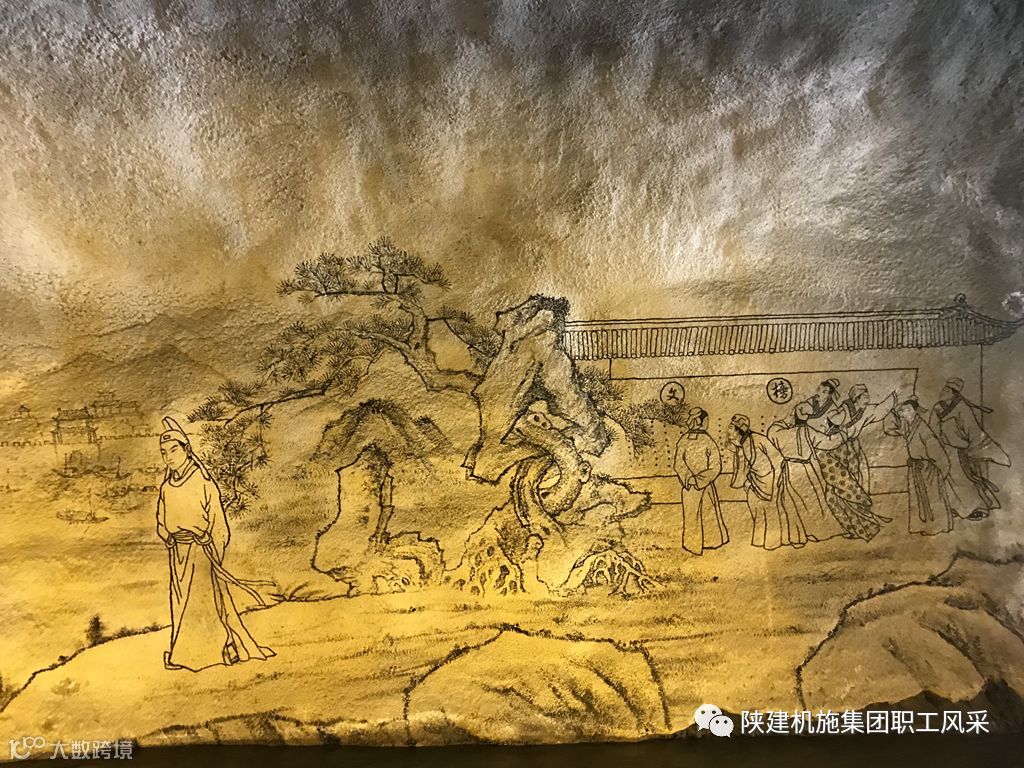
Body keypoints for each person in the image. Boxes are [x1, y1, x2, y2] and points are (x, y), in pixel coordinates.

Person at [156, 417, 276, 671]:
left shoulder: (203, 483)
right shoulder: (166, 488)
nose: (169, 457)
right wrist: (169, 536)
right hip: (178, 555)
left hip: (201, 552)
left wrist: (210, 545)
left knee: (203, 603)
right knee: (180, 603)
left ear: (187, 449)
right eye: (164, 452)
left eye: (174, 450)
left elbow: (219, 524)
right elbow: (161, 521)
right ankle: (185, 652)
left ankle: (208, 654)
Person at [930, 378, 1010, 519]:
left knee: (965, 480)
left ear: (954, 394)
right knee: (949, 480)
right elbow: (932, 427)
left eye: (947, 390)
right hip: (944, 450)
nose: (942, 392)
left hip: (959, 450)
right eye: (943, 389)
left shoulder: (963, 409)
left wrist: (971, 449)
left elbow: (972, 430)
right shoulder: (937, 407)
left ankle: (978, 507)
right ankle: (955, 507)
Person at [767, 402, 843, 544]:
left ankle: (797, 536)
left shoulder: (781, 432)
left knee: (791, 502)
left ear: (794, 415)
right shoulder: (808, 431)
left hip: (789, 469)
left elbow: (772, 431)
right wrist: (840, 433)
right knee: (813, 501)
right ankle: (818, 531)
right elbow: (828, 442)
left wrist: (786, 421)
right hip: (806, 469)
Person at [883, 399, 954, 535]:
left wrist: (940, 469)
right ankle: (923, 526)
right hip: (916, 467)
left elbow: (936, 451)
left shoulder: (923, 428)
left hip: (927, 468)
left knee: (932, 498)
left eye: (908, 410)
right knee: (919, 498)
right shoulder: (907, 427)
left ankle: (938, 526)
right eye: (903, 410)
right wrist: (892, 410)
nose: (905, 413)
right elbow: (889, 429)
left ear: (915, 411)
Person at [727, 414, 792, 549]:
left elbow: (776, 460)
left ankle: (773, 542)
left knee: (770, 511)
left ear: (739, 430)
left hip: (770, 479)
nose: (728, 430)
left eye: (731, 427)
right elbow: (744, 465)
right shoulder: (743, 444)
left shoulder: (757, 440)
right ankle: (759, 540)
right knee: (756, 509)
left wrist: (776, 479)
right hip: (755, 480)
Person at [674, 407, 727, 555]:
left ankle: (697, 543)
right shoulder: (707, 440)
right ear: (702, 421)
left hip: (694, 486)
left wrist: (691, 479)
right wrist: (697, 480)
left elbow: (679, 464)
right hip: (701, 485)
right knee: (699, 515)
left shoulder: (684, 440)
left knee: (697, 515)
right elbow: (715, 466)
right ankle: (703, 543)